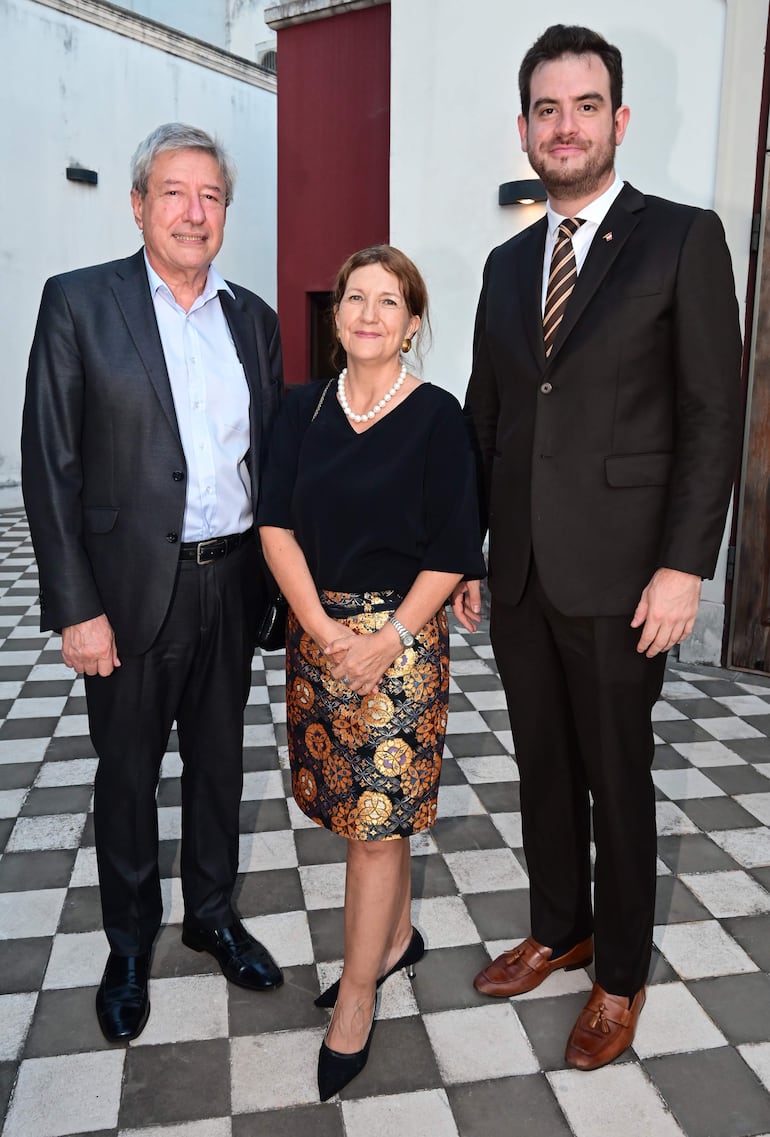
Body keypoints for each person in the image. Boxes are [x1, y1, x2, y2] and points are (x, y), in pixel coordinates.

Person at [454, 25, 741, 1070]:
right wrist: (462, 558)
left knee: (616, 777)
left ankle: (615, 975)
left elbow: (711, 414)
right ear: (524, 127)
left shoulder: (678, 239)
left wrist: (681, 567)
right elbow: (485, 418)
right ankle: (557, 926)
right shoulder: (501, 262)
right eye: (545, 108)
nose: (562, 125)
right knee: (540, 766)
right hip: (522, 571)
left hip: (626, 576)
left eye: (582, 106)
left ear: (615, 120)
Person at [21, 123, 285, 1044]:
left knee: (220, 765)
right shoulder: (79, 304)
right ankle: (128, 942)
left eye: (210, 196)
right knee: (128, 773)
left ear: (225, 213)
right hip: (129, 596)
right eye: (173, 192)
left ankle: (211, 913)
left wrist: (281, 591)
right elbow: (49, 466)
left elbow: (271, 463)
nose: (192, 211)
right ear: (138, 204)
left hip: (231, 583)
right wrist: (75, 606)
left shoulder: (254, 318)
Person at [258, 245, 484, 1100]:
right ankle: (393, 942)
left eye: (389, 302)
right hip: (319, 638)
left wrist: (386, 637)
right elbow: (274, 523)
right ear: (337, 314)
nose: (368, 314)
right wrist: (318, 628)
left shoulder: (437, 416)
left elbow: (455, 544)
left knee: (376, 826)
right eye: (356, 298)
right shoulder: (301, 410)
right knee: (345, 810)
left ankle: (357, 995)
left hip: (404, 646)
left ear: (413, 323)